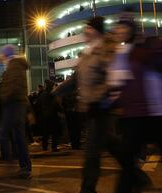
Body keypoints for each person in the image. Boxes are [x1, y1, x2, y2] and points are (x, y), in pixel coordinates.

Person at [53, 17, 128, 193]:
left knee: (91, 152)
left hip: (102, 107)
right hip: (91, 108)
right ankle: (136, 173)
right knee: (111, 144)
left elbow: (112, 77)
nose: (85, 31)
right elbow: (76, 78)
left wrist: (98, 98)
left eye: (88, 28)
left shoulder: (106, 49)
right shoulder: (87, 53)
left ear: (95, 30)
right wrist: (56, 91)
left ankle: (87, 189)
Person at [106, 19, 162, 193]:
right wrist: (109, 103)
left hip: (156, 113)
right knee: (128, 161)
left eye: (123, 27)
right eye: (118, 28)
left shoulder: (148, 45)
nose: (120, 31)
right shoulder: (122, 54)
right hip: (135, 115)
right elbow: (117, 84)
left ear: (131, 29)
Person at [0, 44, 32, 179]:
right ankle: (24, 167)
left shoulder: (13, 66)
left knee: (2, 134)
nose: (0, 56)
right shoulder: (16, 66)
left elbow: (13, 87)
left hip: (13, 104)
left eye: (1, 53)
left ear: (6, 54)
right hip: (17, 104)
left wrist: (3, 96)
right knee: (19, 136)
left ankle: (9, 162)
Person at [38, 80, 61, 152]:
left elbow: (38, 105)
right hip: (53, 115)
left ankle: (45, 146)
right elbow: (56, 104)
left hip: (44, 115)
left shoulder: (42, 94)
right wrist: (60, 110)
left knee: (45, 132)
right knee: (54, 132)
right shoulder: (52, 94)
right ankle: (54, 147)